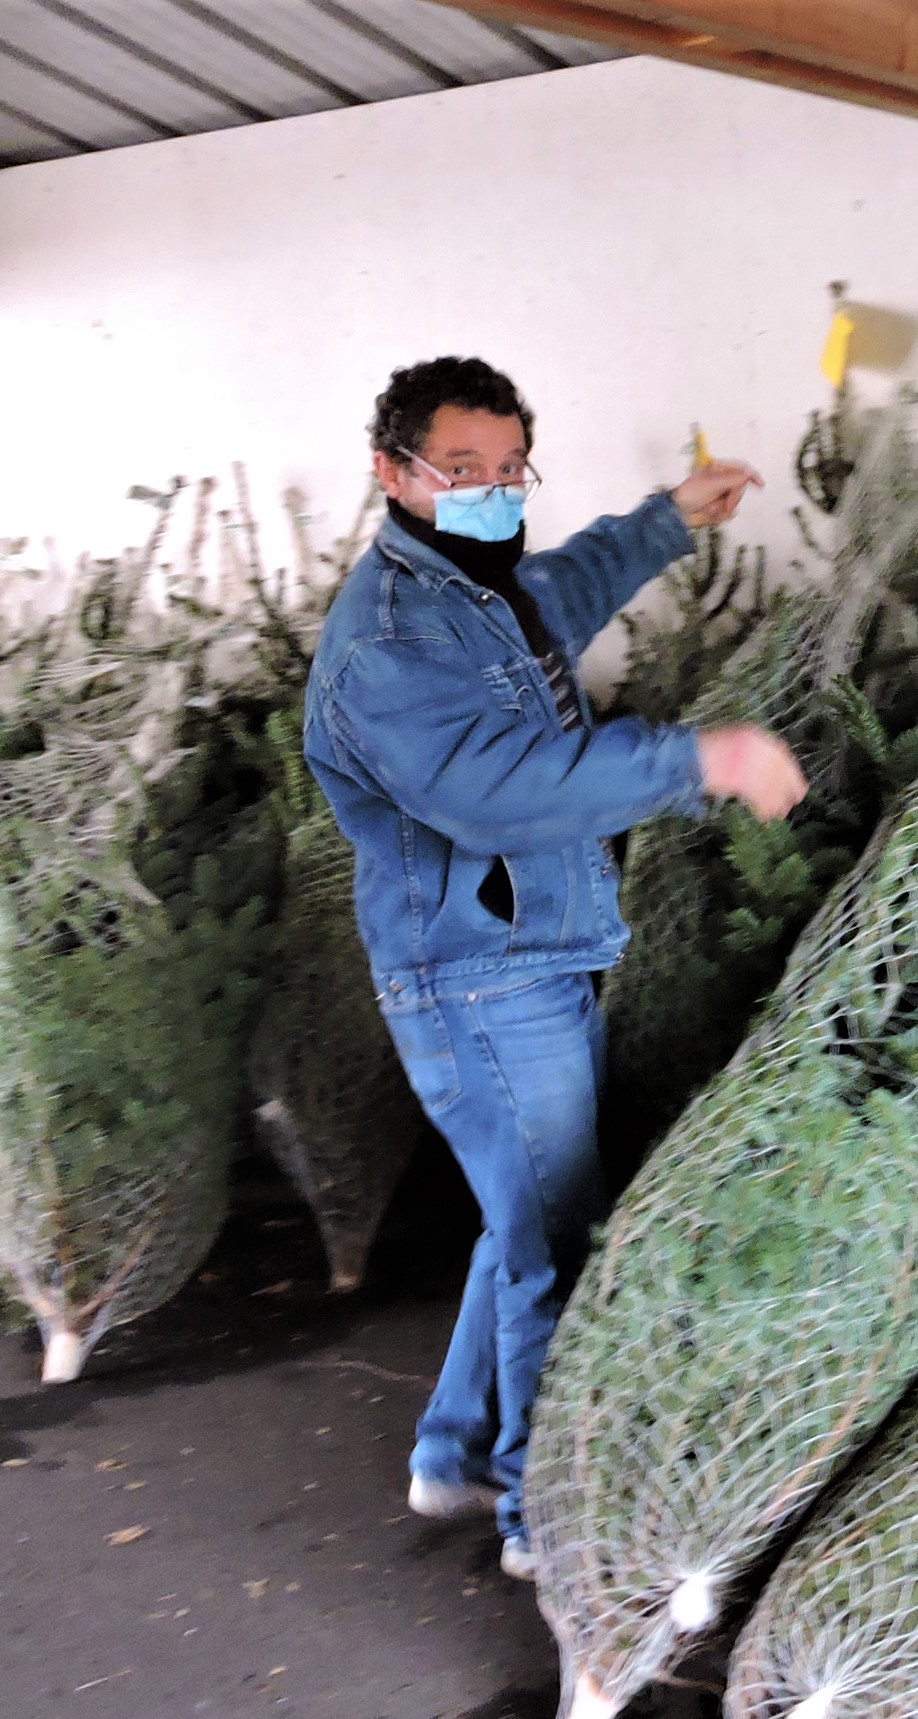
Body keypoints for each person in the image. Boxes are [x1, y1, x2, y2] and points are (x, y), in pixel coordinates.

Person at [302, 356, 806, 1581]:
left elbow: (556, 595)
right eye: (458, 469)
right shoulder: (388, 643)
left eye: (509, 467)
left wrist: (666, 520)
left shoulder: (476, 589)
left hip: (528, 955)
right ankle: (542, 1520)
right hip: (476, 979)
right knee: (553, 1245)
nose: (490, 490)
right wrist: (698, 760)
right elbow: (492, 789)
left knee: (520, 1217)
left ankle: (453, 1454)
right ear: (392, 473)